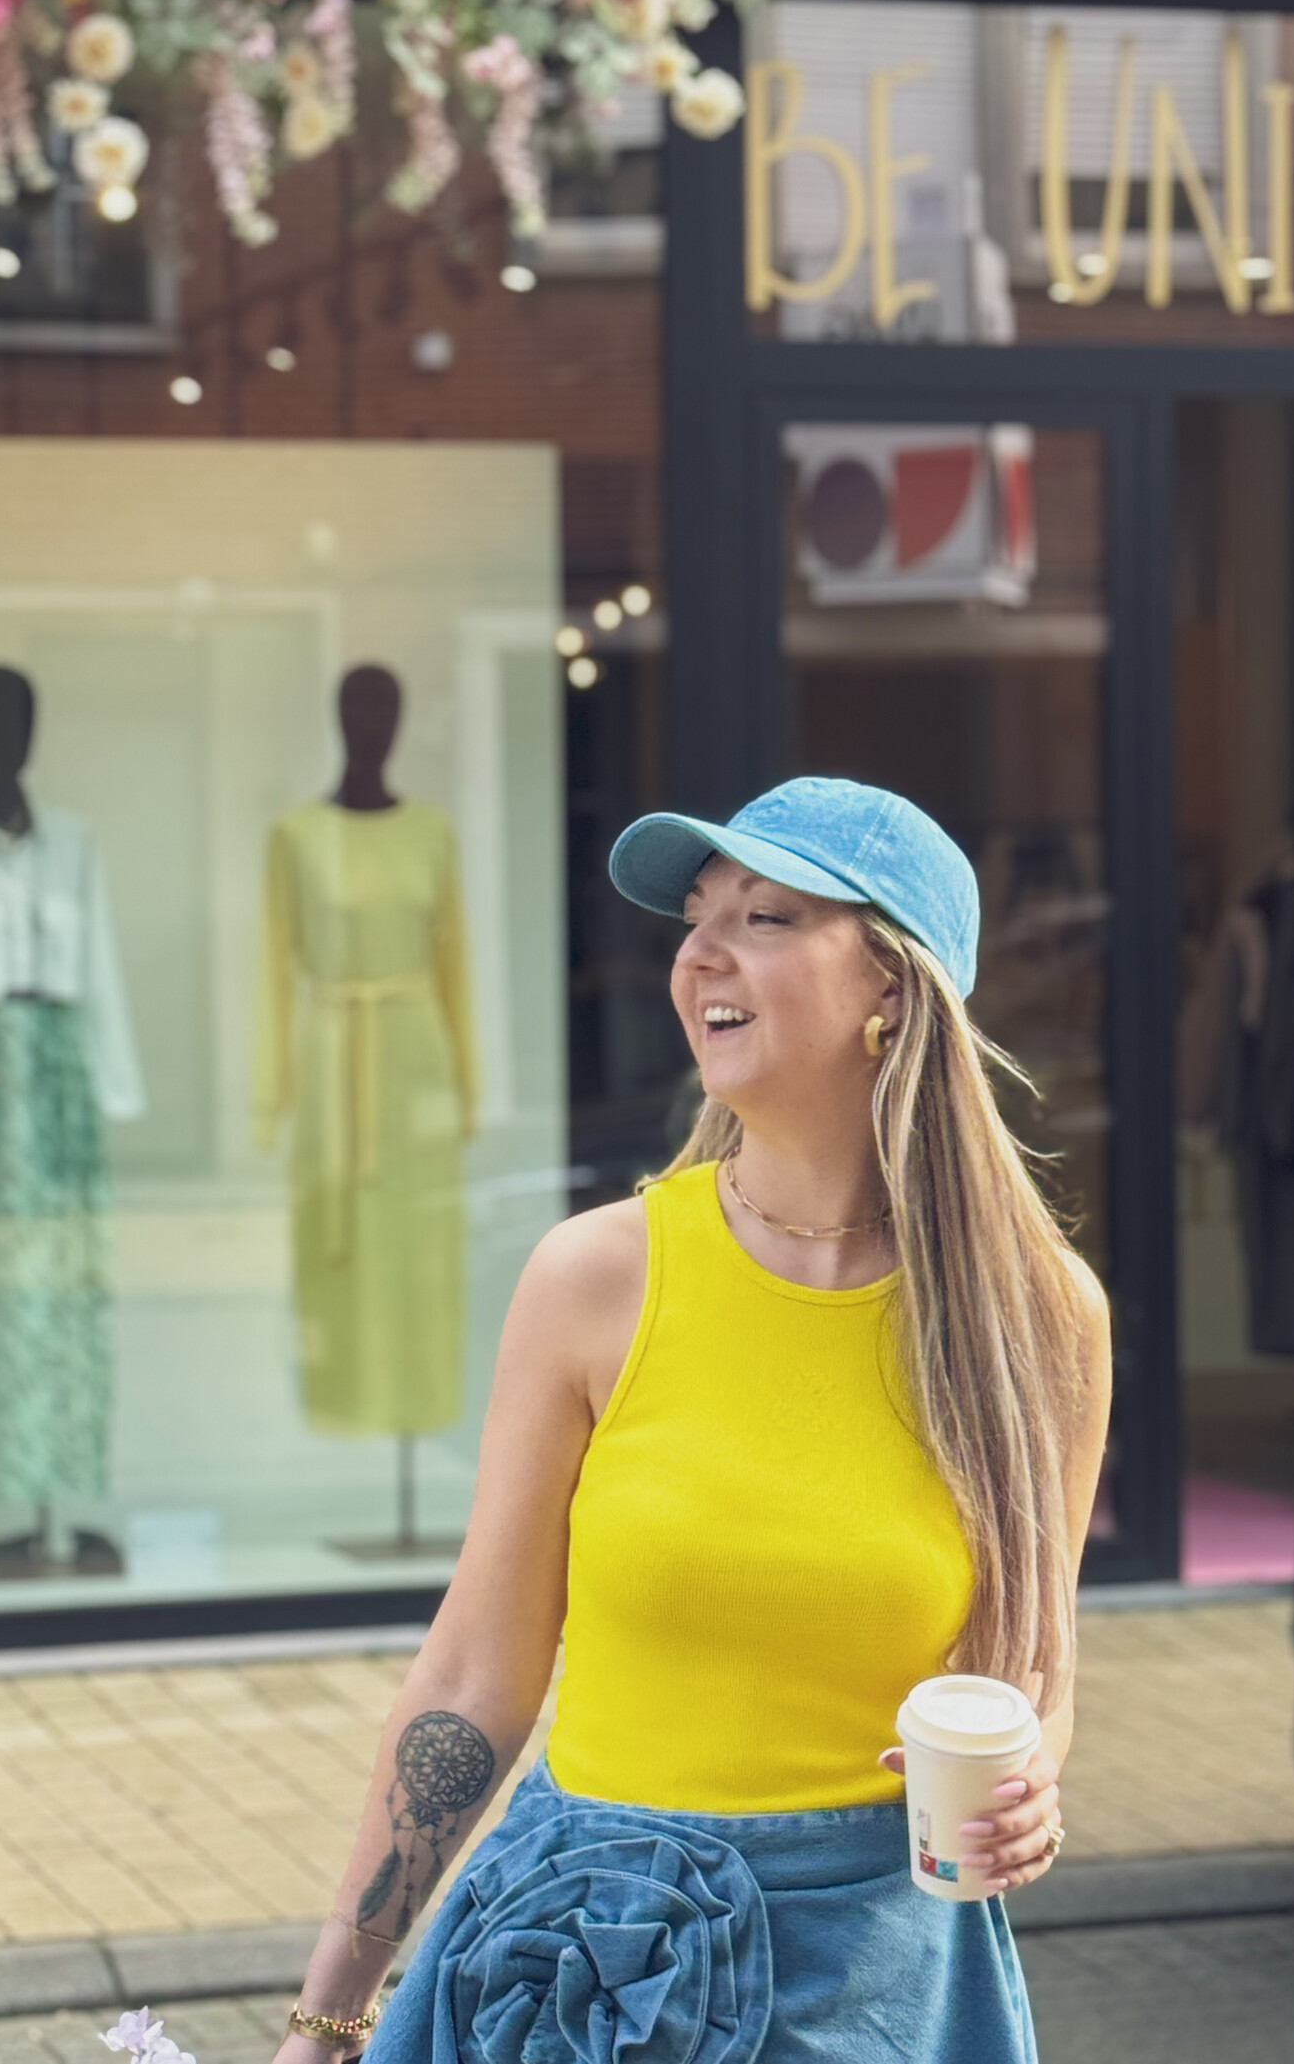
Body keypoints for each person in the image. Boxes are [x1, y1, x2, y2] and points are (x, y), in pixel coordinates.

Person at [271, 776, 1113, 2064]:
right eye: (696, 918)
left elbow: (1030, 1671)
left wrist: (1027, 1790)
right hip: (575, 1965)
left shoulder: (1039, 1321)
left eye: (766, 918)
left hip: (878, 1975)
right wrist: (329, 2016)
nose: (700, 954)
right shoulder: (595, 1278)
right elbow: (470, 1677)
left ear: (891, 984)